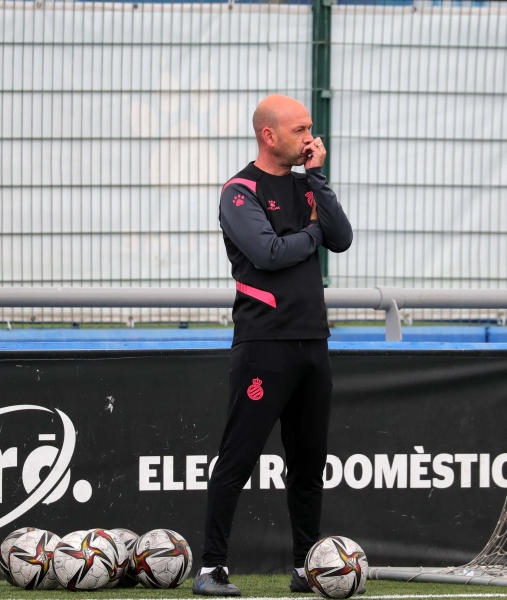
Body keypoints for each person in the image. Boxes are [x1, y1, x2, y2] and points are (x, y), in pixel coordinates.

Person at [192, 94, 354, 597]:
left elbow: (342, 238)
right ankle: (212, 569)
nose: (310, 137)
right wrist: (314, 231)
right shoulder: (239, 191)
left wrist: (318, 180)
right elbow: (269, 253)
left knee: (308, 466)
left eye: (310, 128)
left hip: (313, 343)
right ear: (269, 135)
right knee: (237, 459)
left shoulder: (309, 185)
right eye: (300, 129)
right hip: (264, 344)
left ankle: (306, 568)